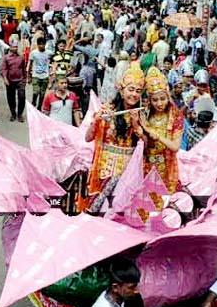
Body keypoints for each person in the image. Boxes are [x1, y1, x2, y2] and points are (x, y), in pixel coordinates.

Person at [79, 63, 145, 213]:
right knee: (97, 210)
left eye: (138, 91)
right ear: (122, 91)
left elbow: (148, 145)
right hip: (105, 169)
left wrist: (136, 125)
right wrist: (96, 120)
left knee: (118, 212)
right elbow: (88, 138)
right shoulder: (107, 110)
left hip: (128, 172)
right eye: (131, 89)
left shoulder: (142, 115)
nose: (134, 94)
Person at [140, 67, 185, 194]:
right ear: (149, 99)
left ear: (168, 97)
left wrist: (156, 135)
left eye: (162, 99)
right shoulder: (145, 114)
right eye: (155, 100)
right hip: (146, 167)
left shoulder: (176, 116)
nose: (159, 103)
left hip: (166, 167)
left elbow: (175, 147)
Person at [1, 37, 26, 122]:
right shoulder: (6, 58)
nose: (15, 48)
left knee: (22, 97)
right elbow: (4, 69)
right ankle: (13, 113)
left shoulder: (21, 57)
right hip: (10, 80)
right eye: (13, 47)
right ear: (10, 47)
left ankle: (20, 114)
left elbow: (23, 68)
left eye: (16, 47)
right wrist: (5, 79)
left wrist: (25, 79)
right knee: (11, 98)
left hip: (20, 80)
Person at [27, 36, 53, 110]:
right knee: (36, 91)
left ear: (45, 44)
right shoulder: (33, 53)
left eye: (43, 44)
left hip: (45, 75)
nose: (41, 46)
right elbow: (30, 64)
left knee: (42, 94)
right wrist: (29, 76)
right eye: (40, 44)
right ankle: (34, 101)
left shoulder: (49, 53)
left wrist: (51, 72)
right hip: (36, 75)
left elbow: (54, 61)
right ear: (37, 45)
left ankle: (39, 107)